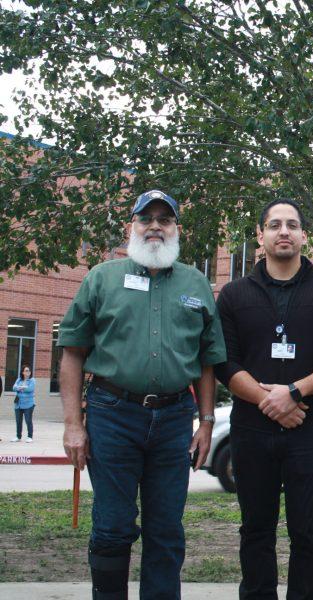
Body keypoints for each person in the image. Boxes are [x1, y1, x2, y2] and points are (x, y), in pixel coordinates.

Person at [58, 190, 227, 599]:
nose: (155, 226)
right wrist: (72, 425)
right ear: (130, 227)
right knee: (113, 525)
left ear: (176, 229)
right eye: (146, 218)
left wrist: (206, 423)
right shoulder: (102, 278)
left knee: (166, 529)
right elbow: (72, 354)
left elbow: (207, 362)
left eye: (164, 219)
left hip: (173, 421)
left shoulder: (196, 283)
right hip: (111, 414)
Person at [214, 198, 313, 599]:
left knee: (309, 533)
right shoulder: (233, 295)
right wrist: (270, 401)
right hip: (251, 431)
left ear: (303, 236)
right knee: (256, 530)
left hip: (310, 430)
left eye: (292, 225)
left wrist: (294, 392)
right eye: (275, 225)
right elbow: (225, 361)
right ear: (260, 237)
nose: (284, 232)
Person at [12, 365, 36, 442]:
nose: (28, 372)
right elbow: (14, 388)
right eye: (26, 370)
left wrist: (20, 388)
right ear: (22, 372)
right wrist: (22, 387)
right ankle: (18, 436)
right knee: (18, 421)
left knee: (28, 420)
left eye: (29, 370)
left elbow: (30, 389)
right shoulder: (19, 379)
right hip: (18, 404)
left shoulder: (32, 380)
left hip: (28, 404)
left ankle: (30, 436)